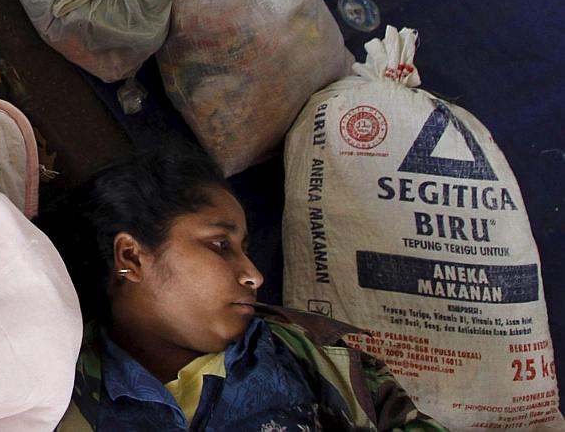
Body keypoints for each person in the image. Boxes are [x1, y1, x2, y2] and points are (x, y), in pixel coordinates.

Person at [37, 146, 445, 430]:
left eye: (244, 249)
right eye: (220, 245)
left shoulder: (317, 357)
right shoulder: (51, 390)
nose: (254, 276)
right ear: (132, 257)